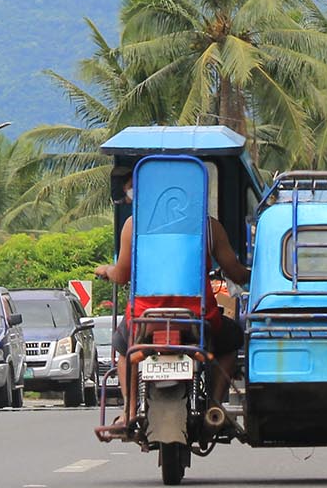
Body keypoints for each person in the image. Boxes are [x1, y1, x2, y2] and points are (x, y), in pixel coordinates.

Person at [92, 170, 250, 434]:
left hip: (146, 321)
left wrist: (107, 271)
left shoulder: (134, 225)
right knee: (232, 338)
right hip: (198, 320)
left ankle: (129, 412)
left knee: (123, 349)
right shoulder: (209, 227)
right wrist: (253, 273)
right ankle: (214, 403)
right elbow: (236, 273)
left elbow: (120, 276)